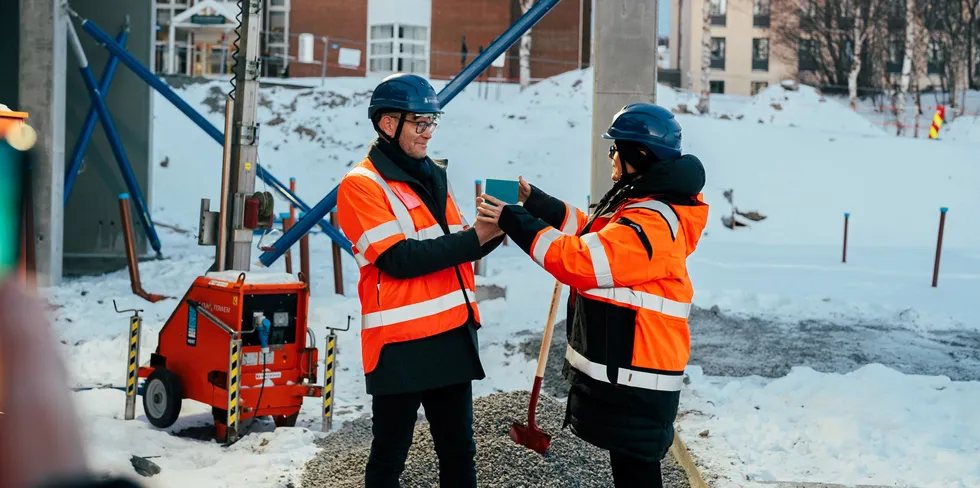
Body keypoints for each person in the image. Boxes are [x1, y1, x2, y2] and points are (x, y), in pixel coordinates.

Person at [476, 103, 708, 487]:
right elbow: (591, 230)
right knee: (630, 472)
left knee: (637, 476)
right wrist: (535, 202)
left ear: (640, 154)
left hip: (639, 375)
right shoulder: (640, 202)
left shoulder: (652, 219)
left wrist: (513, 220)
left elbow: (579, 260)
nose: (611, 158)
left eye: (615, 149)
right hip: (630, 371)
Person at [335, 73, 504, 488]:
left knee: (459, 451)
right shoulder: (361, 185)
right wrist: (475, 238)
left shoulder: (432, 175)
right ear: (388, 124)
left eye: (433, 122)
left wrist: (499, 230)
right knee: (390, 457)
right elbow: (398, 259)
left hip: (450, 336)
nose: (429, 133)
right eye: (420, 123)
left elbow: (459, 246)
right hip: (400, 346)